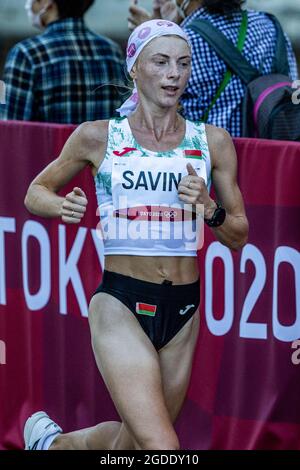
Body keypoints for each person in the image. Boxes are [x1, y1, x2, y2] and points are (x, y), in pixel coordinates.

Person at [23, 19, 248, 450]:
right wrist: (60, 206)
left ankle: (52, 446)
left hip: (183, 310)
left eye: (183, 64)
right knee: (163, 449)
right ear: (135, 67)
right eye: (161, 62)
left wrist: (208, 208)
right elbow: (35, 192)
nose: (173, 74)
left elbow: (238, 234)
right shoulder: (98, 136)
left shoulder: (212, 142)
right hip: (120, 303)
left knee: (131, 446)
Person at [128, 0, 298, 137]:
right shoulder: (271, 27)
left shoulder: (186, 40)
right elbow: (291, 89)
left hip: (208, 164)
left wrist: (150, 37)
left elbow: (153, 114)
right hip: (267, 158)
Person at [0, 0, 124, 124]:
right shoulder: (113, 52)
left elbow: (10, 129)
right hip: (102, 144)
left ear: (46, 2)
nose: (29, 4)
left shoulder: (26, 54)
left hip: (48, 144)